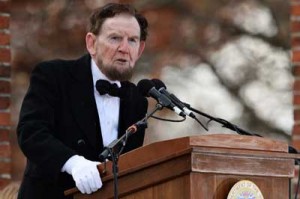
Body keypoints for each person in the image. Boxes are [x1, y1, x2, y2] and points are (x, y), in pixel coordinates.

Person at [16, 3, 148, 199]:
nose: (124, 48)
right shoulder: (53, 76)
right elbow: (31, 133)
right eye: (115, 38)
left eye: (132, 40)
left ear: (140, 49)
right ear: (91, 43)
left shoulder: (137, 100)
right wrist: (73, 162)